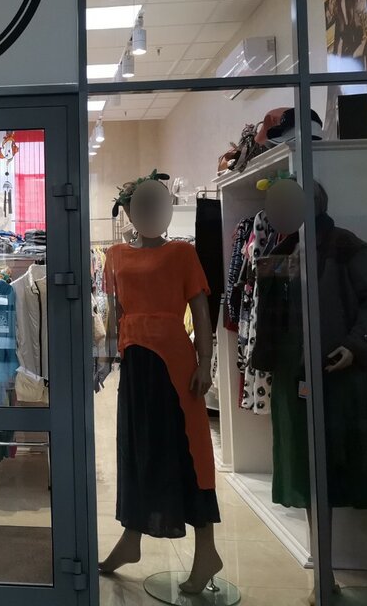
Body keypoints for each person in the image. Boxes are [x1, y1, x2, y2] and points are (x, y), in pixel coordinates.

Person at [256, 180, 367, 606]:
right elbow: (271, 317)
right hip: (295, 378)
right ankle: (324, 574)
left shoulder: (346, 246)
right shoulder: (280, 252)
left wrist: (357, 344)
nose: (276, 210)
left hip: (341, 375)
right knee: (310, 474)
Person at [99, 173, 223, 593]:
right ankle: (131, 538)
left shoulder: (182, 253)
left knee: (188, 450)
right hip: (136, 363)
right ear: (130, 212)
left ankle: (206, 550)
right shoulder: (114, 255)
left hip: (175, 363)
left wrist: (205, 362)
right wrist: (106, 357)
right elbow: (115, 312)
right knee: (137, 448)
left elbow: (201, 310)